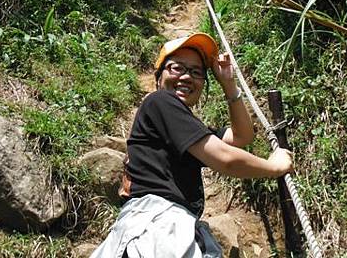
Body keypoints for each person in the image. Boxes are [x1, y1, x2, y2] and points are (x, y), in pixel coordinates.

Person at [90, 32, 293, 258]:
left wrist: (228, 83)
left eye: (196, 72)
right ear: (159, 77)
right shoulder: (159, 101)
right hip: (158, 228)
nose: (187, 77)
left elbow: (242, 136)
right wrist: (274, 167)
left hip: (166, 228)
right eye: (177, 68)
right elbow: (226, 159)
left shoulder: (181, 126)